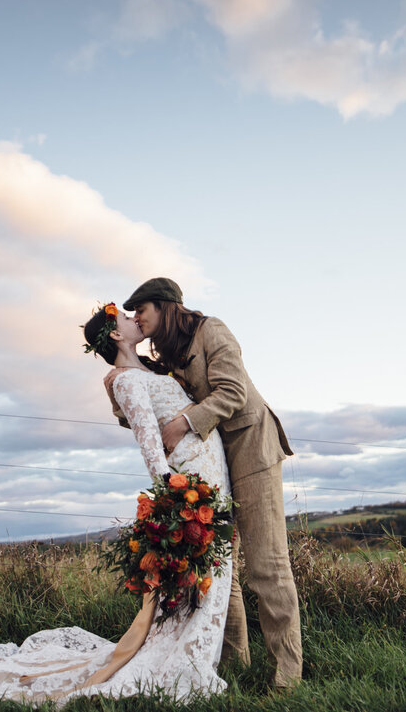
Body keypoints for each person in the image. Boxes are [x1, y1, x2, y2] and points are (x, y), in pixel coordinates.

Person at [0, 304, 233, 707]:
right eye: (124, 318)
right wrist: (173, 500)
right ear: (116, 335)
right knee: (202, 576)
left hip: (211, 470)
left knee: (213, 576)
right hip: (191, 482)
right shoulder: (124, 381)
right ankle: (182, 661)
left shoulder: (152, 371)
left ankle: (202, 655)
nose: (135, 318)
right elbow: (151, 448)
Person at [121, 277, 301, 689]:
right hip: (214, 464)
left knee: (267, 565)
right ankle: (236, 662)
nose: (136, 319)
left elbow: (234, 391)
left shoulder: (211, 330)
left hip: (252, 447)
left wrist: (185, 422)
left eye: (140, 310)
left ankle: (288, 676)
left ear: (164, 306)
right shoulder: (168, 355)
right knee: (221, 564)